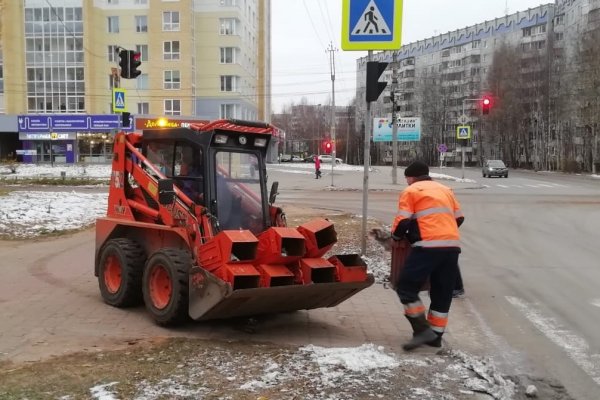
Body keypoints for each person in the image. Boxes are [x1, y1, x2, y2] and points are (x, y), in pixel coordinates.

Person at [391, 160, 464, 351]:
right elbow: (459, 217)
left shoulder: (411, 191)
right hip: (451, 246)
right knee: (442, 291)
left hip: (428, 246)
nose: (407, 181)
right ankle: (435, 336)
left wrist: (396, 237)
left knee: (405, 287)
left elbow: (402, 222)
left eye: (407, 178)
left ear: (411, 177)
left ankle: (422, 330)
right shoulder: (445, 189)